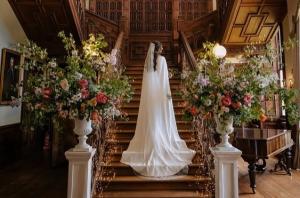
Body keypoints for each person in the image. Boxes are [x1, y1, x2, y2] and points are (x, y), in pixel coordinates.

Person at [121, 41, 195, 177]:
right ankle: (160, 142)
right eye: (162, 47)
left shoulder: (147, 62)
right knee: (161, 120)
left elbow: (148, 81)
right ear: (159, 49)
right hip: (160, 96)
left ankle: (151, 142)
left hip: (149, 98)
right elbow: (164, 81)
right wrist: (168, 96)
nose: (163, 48)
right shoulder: (162, 60)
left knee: (152, 121)